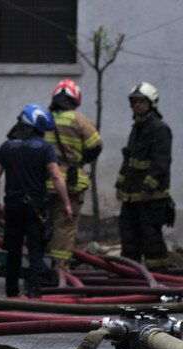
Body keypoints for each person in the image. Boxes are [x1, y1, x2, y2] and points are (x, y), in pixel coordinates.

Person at [0, 104, 72, 298]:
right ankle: (34, 291)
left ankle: (11, 293)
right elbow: (56, 176)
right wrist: (67, 203)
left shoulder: (6, 146)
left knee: (13, 250)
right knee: (36, 249)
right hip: (36, 206)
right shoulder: (45, 147)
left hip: (12, 205)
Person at [45, 79, 103, 273]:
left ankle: (40, 267)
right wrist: (80, 161)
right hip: (71, 183)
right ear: (75, 98)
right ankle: (61, 270)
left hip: (44, 181)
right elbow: (96, 146)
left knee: (43, 223)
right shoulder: (79, 120)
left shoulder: (44, 118)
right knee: (65, 225)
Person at [115, 82, 172, 272]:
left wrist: (148, 189)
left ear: (151, 103)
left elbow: (161, 163)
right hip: (132, 197)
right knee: (129, 238)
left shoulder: (159, 128)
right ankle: (130, 276)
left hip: (151, 199)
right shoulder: (137, 128)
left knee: (151, 240)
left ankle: (159, 279)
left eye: (141, 102)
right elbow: (129, 159)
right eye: (135, 102)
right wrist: (120, 185)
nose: (137, 105)